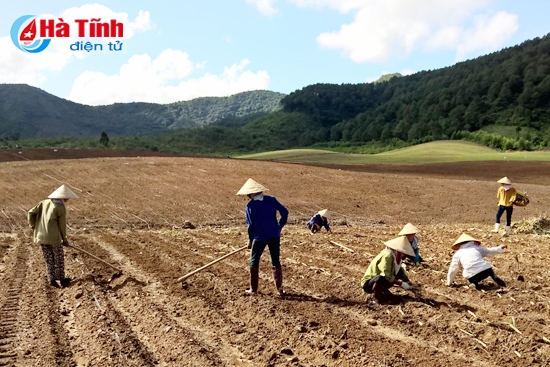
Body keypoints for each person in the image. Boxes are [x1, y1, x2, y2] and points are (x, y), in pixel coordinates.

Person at [236, 178, 289, 296]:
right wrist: (279, 227)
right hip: (274, 235)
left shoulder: (250, 206)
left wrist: (250, 240)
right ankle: (280, 289)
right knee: (275, 260)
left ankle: (253, 290)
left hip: (259, 237)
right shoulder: (271, 200)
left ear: (251, 193)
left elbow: (251, 226)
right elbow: (285, 212)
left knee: (254, 260)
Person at [28, 184, 79, 288]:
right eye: (66, 197)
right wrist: (64, 239)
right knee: (58, 258)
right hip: (54, 238)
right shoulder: (60, 208)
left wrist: (34, 227)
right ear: (62, 197)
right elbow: (62, 226)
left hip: (41, 237)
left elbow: (30, 213)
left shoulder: (43, 203)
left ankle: (51, 279)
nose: (67, 199)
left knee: (49, 258)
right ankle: (62, 279)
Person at [360, 236, 415, 304]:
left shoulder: (394, 256)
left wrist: (407, 281)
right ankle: (377, 298)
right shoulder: (387, 255)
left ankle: (384, 291)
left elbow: (399, 270)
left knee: (395, 274)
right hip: (369, 283)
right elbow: (385, 275)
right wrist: (401, 283)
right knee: (381, 278)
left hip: (381, 279)